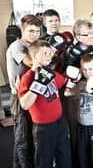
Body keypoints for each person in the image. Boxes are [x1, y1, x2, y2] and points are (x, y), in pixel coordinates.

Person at [18, 40, 71, 168]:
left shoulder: (50, 73)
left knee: (65, 158)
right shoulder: (28, 77)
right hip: (44, 129)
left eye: (50, 53)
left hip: (60, 123)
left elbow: (65, 83)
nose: (49, 56)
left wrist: (77, 77)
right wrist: (37, 86)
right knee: (44, 161)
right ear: (35, 56)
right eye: (45, 53)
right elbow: (25, 104)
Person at [6, 14, 42, 168]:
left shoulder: (35, 45)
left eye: (37, 31)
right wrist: (48, 55)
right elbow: (30, 62)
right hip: (19, 97)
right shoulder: (17, 46)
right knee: (23, 137)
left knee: (27, 136)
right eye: (31, 31)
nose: (35, 35)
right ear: (22, 29)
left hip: (31, 95)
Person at [64, 53, 93, 168]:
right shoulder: (80, 84)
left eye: (90, 69)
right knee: (82, 160)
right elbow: (67, 93)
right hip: (81, 127)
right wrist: (73, 81)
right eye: (84, 69)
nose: (87, 72)